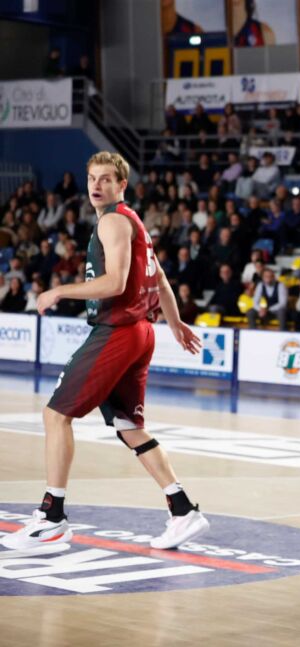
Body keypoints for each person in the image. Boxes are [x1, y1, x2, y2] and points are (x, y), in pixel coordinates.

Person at [1, 152, 209, 552]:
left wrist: (59, 290)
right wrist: (175, 323)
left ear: (121, 185)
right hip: (141, 331)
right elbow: (161, 279)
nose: (97, 185)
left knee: (56, 415)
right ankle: (183, 510)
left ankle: (52, 517)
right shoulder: (134, 222)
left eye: (106, 179)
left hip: (118, 331)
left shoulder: (113, 221)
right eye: (92, 178)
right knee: (129, 426)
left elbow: (115, 283)